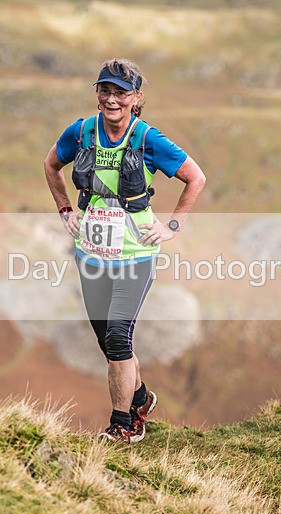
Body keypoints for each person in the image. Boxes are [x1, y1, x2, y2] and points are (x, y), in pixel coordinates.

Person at [43, 58, 206, 443]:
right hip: (91, 254)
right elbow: (51, 165)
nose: (111, 99)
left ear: (137, 98)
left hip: (135, 254)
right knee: (107, 342)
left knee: (118, 337)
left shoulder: (149, 139)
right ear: (97, 93)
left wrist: (172, 227)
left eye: (121, 92)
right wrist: (66, 209)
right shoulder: (81, 132)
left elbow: (195, 177)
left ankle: (124, 425)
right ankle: (140, 397)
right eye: (105, 90)